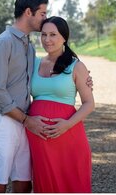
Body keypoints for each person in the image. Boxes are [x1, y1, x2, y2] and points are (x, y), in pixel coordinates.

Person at [0, 0, 50, 193]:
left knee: (24, 183)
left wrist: (78, 73)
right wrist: (26, 120)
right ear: (29, 12)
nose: (45, 19)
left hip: (22, 122)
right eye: (43, 13)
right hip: (1, 122)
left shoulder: (29, 46)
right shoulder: (4, 42)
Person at [26, 16, 94, 193]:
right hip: (38, 136)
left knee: (72, 183)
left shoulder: (76, 66)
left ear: (64, 37)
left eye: (53, 35)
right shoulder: (34, 63)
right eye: (44, 35)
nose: (47, 40)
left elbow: (89, 103)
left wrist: (67, 125)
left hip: (68, 135)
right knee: (45, 184)